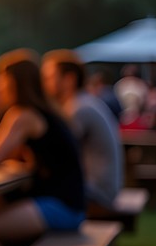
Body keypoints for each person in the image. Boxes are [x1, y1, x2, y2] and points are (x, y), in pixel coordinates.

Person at [0, 50, 85, 246]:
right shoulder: (44, 111)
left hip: (62, 207)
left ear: (14, 81)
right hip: (70, 203)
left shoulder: (23, 114)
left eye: (1, 79)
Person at [42, 50, 123, 209]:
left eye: (49, 77)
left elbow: (56, 154)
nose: (44, 84)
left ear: (69, 79)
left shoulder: (78, 109)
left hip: (98, 193)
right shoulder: (84, 102)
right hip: (104, 189)